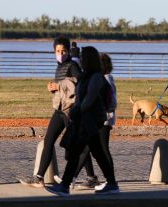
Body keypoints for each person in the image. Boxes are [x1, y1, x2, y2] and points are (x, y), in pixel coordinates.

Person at [47, 47, 119, 196]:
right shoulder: (86, 75)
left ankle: (65, 186)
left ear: (89, 59)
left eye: (83, 57)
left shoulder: (96, 77)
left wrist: (76, 110)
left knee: (76, 151)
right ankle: (112, 183)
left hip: (91, 119)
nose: (80, 60)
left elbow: (89, 99)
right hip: (86, 119)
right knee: (97, 152)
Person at [19, 36, 82, 187]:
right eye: (57, 51)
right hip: (60, 110)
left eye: (63, 51)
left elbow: (80, 83)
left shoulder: (72, 65)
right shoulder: (59, 66)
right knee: (48, 140)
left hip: (71, 111)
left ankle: (91, 177)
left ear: (68, 51)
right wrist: (52, 88)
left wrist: (58, 86)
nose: (60, 53)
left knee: (78, 145)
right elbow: (63, 88)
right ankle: (39, 177)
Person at [71, 53, 117, 189]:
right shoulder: (102, 78)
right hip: (98, 119)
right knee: (87, 148)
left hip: (103, 120)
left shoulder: (106, 79)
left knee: (102, 150)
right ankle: (81, 177)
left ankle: (111, 181)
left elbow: (111, 101)